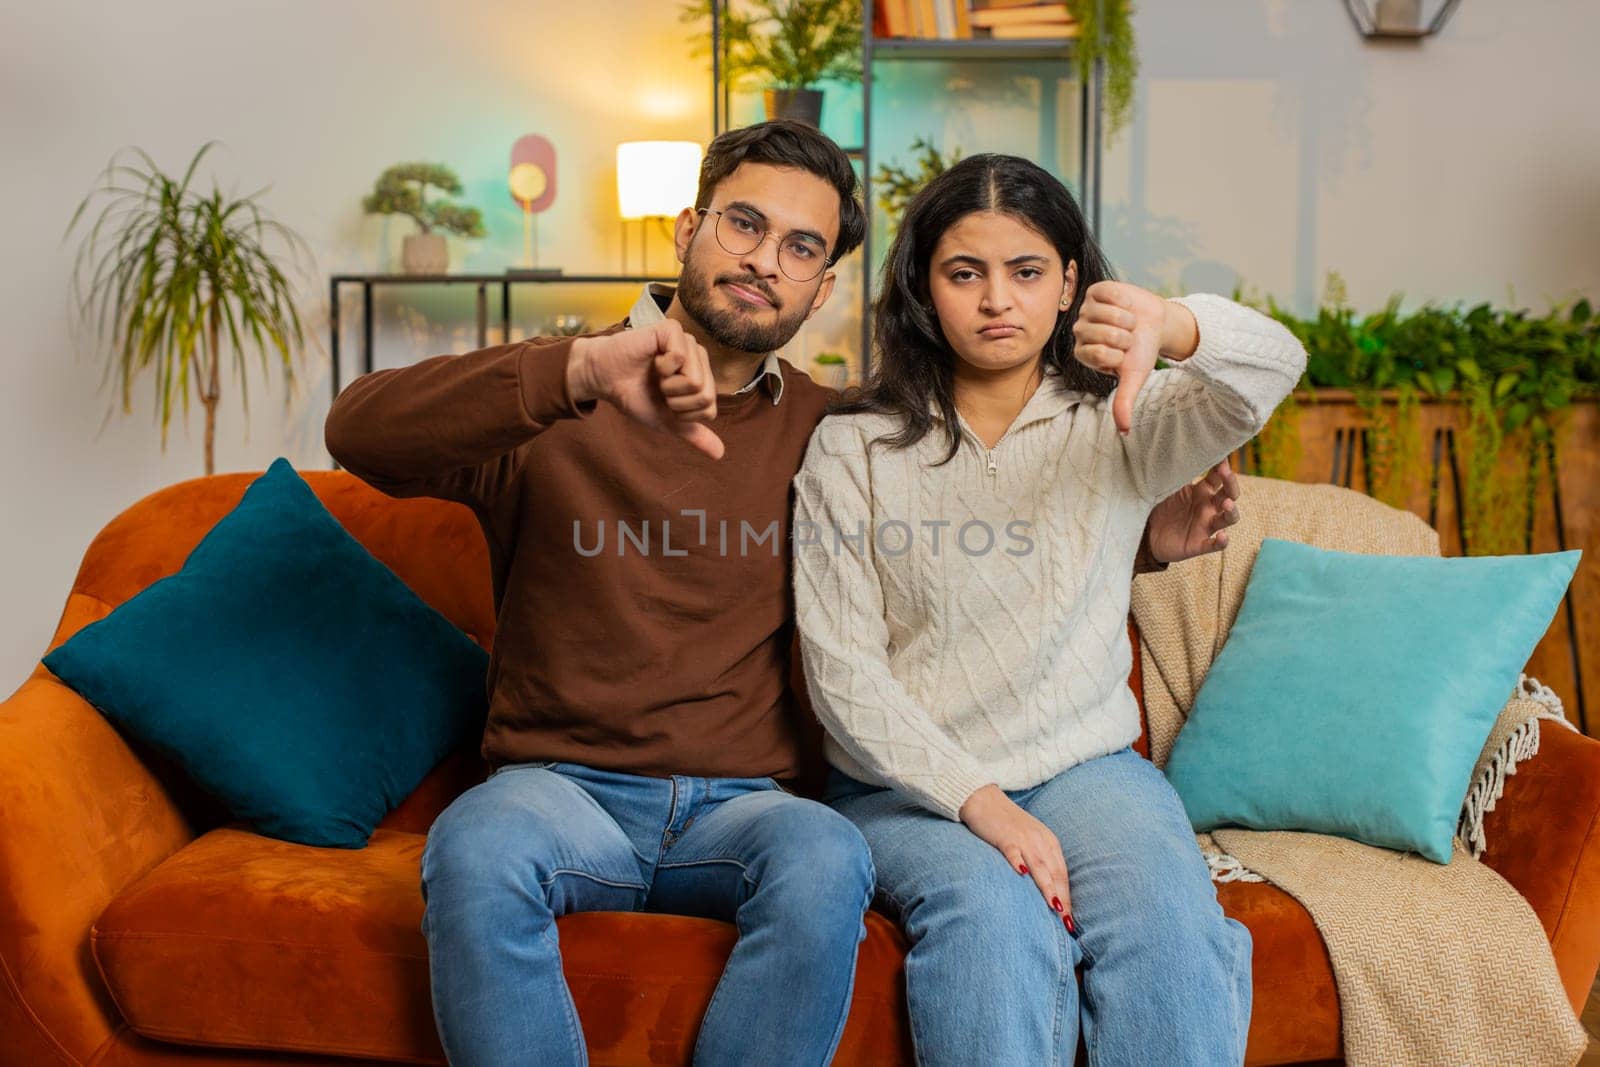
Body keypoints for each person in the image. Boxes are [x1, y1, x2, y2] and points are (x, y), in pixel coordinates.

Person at [327, 120, 1236, 1065]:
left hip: (745, 806)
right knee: (474, 848)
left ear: (822, 286)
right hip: (562, 789)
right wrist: (578, 368)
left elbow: (947, 551)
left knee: (828, 857)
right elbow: (359, 432)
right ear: (687, 229)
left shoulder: (830, 429)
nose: (765, 261)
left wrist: (1140, 547)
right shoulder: (557, 395)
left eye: (800, 246)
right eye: (744, 226)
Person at [792, 152, 1306, 1066]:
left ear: (1070, 283)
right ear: (922, 285)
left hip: (1088, 769)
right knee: (995, 928)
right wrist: (980, 802)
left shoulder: (1126, 420)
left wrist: (1172, 322)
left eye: (1027, 272)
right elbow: (842, 674)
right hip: (905, 791)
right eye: (965, 272)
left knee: (1174, 938)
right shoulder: (852, 448)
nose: (998, 300)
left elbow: (1273, 366)